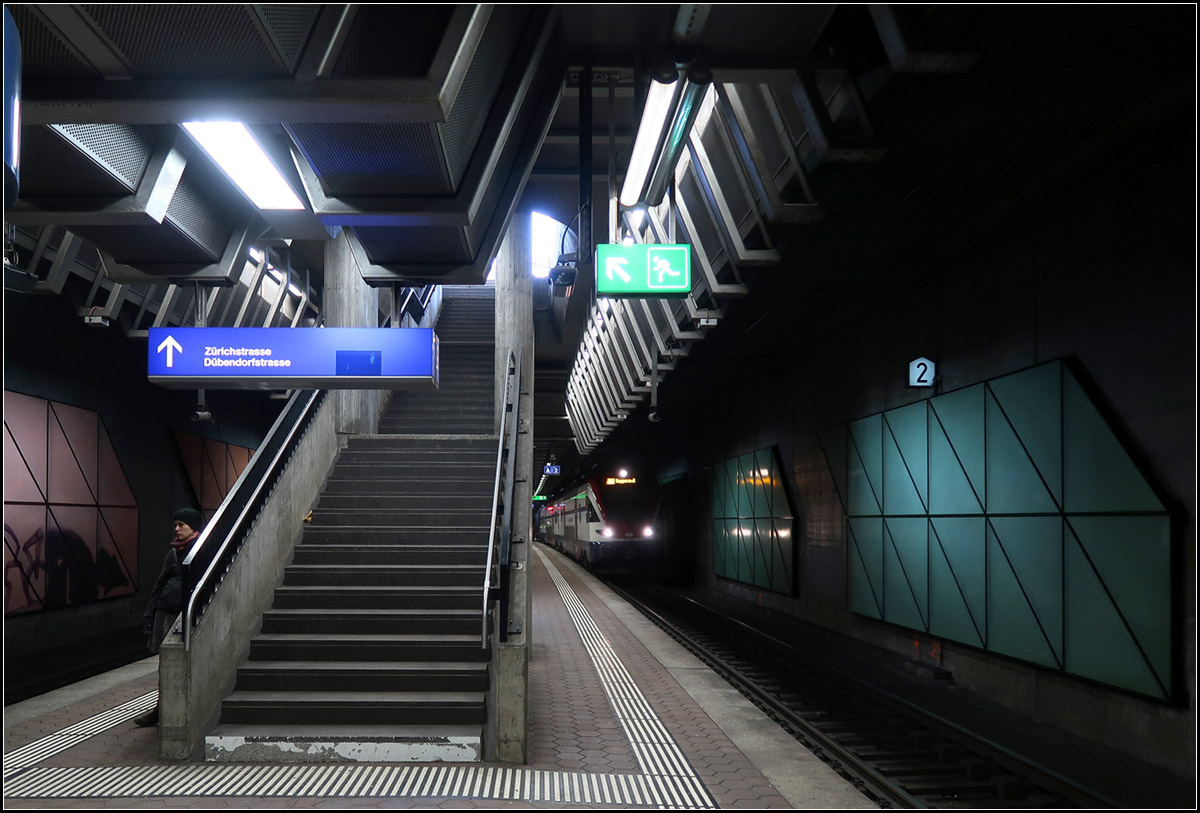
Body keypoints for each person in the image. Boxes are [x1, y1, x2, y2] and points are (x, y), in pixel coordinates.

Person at [134, 508, 204, 727]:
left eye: (181, 525)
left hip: (189, 616)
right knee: (166, 665)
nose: (177, 529)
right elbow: (159, 587)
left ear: (194, 527)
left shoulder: (203, 550)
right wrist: (149, 619)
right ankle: (161, 708)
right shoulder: (173, 554)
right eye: (175, 525)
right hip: (166, 615)